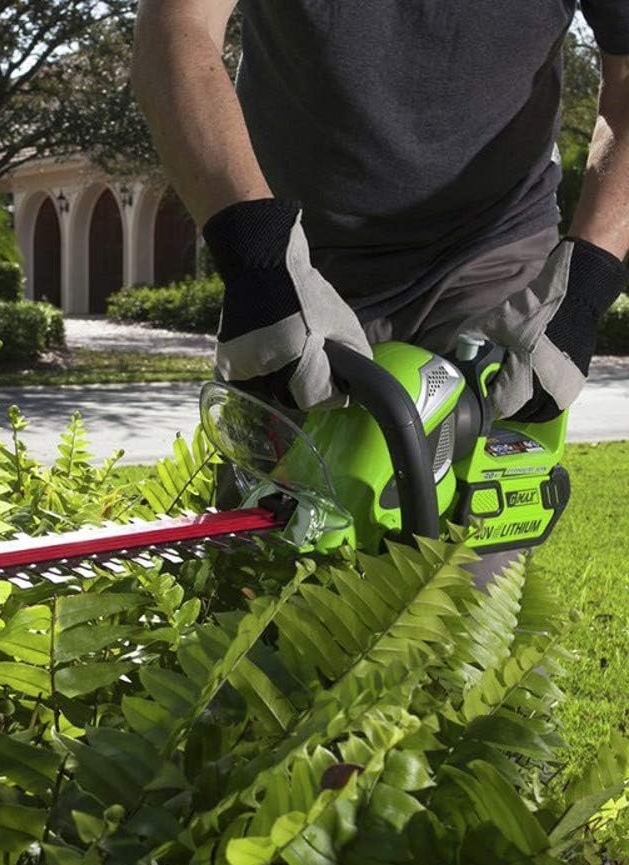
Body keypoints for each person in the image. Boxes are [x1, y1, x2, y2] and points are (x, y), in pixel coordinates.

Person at [132, 1, 629, 566]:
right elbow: (177, 23)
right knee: (261, 576)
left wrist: (582, 289)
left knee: (462, 591)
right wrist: (259, 264)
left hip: (493, 259)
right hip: (293, 261)